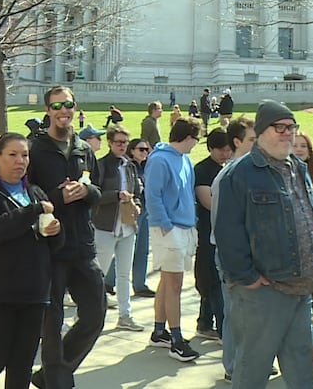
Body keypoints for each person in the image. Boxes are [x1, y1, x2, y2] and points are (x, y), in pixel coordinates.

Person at [215, 101, 313, 389]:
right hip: (264, 292)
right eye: (279, 127)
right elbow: (227, 233)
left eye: (291, 127)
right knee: (253, 366)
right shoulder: (239, 173)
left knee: (301, 364)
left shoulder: (298, 168)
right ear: (261, 131)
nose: (287, 134)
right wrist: (248, 278)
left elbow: (310, 214)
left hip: (302, 286)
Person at [0, 133, 64, 389]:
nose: (20, 161)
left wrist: (55, 231)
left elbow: (53, 246)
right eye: (13, 155)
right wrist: (34, 211)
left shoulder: (36, 192)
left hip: (32, 293)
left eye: (25, 155)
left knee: (22, 365)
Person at [26, 86, 105, 389]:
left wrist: (86, 191)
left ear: (75, 107)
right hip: (51, 248)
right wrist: (57, 197)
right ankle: (59, 382)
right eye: (56, 106)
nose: (63, 111)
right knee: (52, 321)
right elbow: (28, 196)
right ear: (48, 111)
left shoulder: (84, 148)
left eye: (68, 105)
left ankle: (50, 376)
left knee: (95, 316)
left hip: (83, 246)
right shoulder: (35, 149)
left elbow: (97, 190)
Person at [144, 116, 204, 361]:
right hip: (169, 230)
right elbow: (153, 196)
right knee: (174, 285)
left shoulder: (185, 160)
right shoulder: (159, 159)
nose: (196, 144)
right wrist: (167, 226)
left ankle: (160, 331)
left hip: (185, 226)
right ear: (189, 137)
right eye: (196, 139)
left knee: (167, 283)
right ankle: (176, 339)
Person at [210, 115, 257, 383]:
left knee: (251, 315)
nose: (257, 144)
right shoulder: (228, 175)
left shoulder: (254, 171)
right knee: (235, 314)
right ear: (237, 142)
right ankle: (232, 365)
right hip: (230, 255)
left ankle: (248, 361)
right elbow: (222, 226)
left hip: (252, 254)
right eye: (252, 139)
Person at [93, 125, 144, 331]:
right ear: (110, 143)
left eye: (125, 142)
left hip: (128, 227)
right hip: (105, 227)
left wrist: (137, 205)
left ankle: (125, 315)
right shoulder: (102, 165)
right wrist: (116, 195)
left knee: (124, 274)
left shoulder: (130, 166)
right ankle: (92, 315)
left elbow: (138, 192)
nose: (122, 146)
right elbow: (93, 194)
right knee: (98, 273)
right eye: (118, 142)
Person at [193, 128, 231, 342]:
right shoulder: (203, 170)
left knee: (214, 281)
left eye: (228, 150)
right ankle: (220, 326)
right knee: (211, 281)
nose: (225, 154)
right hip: (207, 232)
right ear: (210, 149)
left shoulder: (227, 167)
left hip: (222, 233)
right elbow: (208, 202)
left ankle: (205, 322)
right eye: (221, 150)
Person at [293, 131, 313, 196]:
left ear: (309, 151)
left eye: (303, 146)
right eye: (294, 146)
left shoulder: (312, 173)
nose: (299, 149)